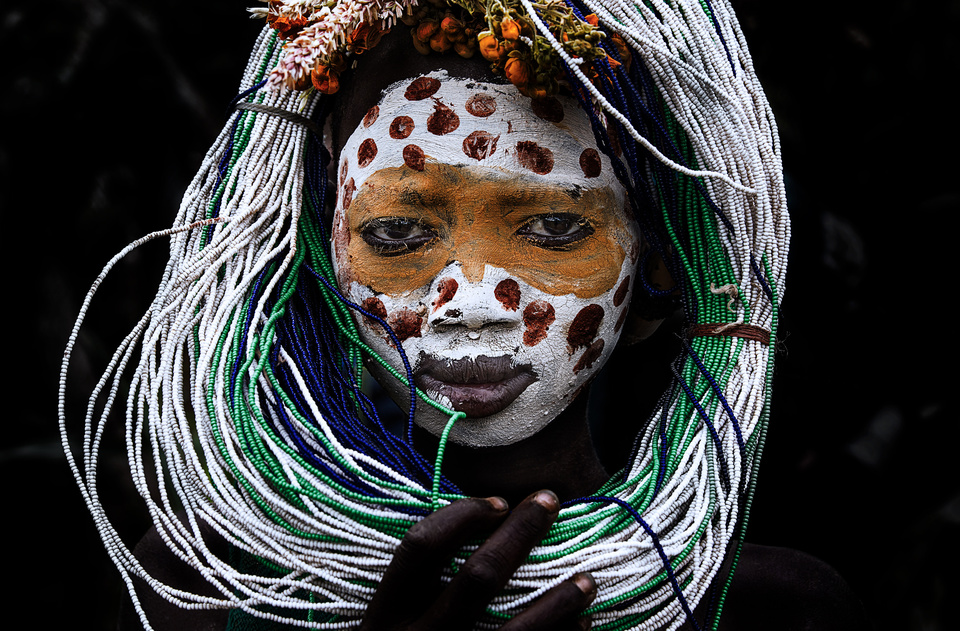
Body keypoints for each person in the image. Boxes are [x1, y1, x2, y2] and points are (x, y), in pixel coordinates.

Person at [60, 1, 868, 629]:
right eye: (397, 233)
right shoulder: (222, 586)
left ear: (655, 268)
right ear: (328, 258)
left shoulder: (768, 610)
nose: (472, 303)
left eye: (555, 227)